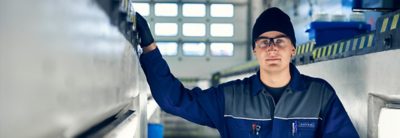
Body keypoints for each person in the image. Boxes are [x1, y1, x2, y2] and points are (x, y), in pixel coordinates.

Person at [136, 7, 359, 138]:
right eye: (264, 42)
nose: (272, 48)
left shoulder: (320, 96)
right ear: (255, 50)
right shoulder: (231, 97)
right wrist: (150, 48)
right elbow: (173, 100)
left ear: (293, 49)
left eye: (279, 41)